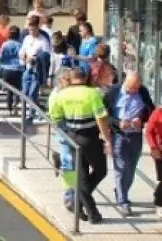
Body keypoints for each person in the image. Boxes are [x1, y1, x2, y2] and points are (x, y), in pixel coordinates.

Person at [49, 67, 114, 224]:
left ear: (70, 79)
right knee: (96, 171)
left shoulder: (61, 94)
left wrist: (66, 133)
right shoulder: (92, 93)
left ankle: (81, 205)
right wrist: (107, 140)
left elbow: (55, 117)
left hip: (70, 136)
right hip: (88, 138)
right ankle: (79, 203)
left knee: (79, 174)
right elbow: (101, 118)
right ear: (84, 78)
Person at [103, 71, 156, 216]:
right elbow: (102, 114)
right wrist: (117, 123)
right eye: (132, 88)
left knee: (131, 169)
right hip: (119, 135)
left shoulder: (142, 91)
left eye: (137, 88)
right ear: (125, 83)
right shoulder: (113, 92)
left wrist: (140, 118)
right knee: (121, 167)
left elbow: (149, 109)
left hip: (136, 135)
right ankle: (122, 201)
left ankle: (121, 191)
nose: (134, 91)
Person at [49, 68, 78, 214]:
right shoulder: (56, 95)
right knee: (70, 163)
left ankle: (58, 158)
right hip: (64, 131)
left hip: (74, 131)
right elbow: (55, 118)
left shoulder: (70, 92)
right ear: (60, 80)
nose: (71, 82)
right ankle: (69, 197)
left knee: (75, 162)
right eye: (68, 80)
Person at [19, 18, 51, 122]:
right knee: (24, 94)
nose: (31, 32)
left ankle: (30, 115)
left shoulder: (43, 40)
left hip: (37, 71)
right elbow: (22, 50)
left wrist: (35, 58)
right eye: (30, 30)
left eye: (33, 30)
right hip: (27, 69)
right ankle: (40, 109)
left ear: (38, 28)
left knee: (32, 94)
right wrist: (22, 56)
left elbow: (47, 56)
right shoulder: (27, 38)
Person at [0, 25, 24, 115]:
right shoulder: (20, 45)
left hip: (6, 69)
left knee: (9, 91)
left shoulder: (5, 44)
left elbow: (0, 57)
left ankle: (9, 109)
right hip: (18, 69)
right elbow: (22, 57)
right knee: (17, 90)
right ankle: (16, 107)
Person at [145, 104, 162, 218]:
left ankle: (158, 197)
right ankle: (159, 203)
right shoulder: (158, 113)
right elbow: (148, 131)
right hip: (159, 150)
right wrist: (153, 147)